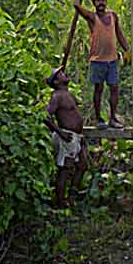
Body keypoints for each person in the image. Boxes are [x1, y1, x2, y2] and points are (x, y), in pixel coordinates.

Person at [74, 0, 130, 129]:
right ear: (93, 2)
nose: (101, 2)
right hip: (97, 60)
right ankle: (99, 119)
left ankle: (112, 118)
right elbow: (76, 6)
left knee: (114, 88)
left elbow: (119, 34)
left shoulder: (113, 16)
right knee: (98, 89)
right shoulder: (92, 17)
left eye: (103, 0)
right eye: (98, 0)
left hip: (112, 60)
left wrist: (127, 50)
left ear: (106, 1)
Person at [44, 68, 87, 207]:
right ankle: (61, 202)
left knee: (82, 165)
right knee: (65, 169)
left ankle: (72, 195)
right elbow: (46, 116)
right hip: (67, 136)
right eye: (61, 74)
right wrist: (60, 133)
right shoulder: (57, 96)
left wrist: (81, 135)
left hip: (76, 136)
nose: (65, 74)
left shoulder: (67, 94)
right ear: (56, 81)